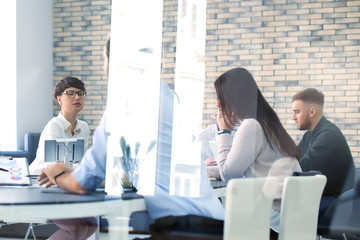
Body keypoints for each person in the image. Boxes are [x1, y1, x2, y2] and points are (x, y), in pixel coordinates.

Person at [38, 36, 224, 237]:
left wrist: (57, 173)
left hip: (185, 229)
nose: (103, 66)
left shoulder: (123, 105)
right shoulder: (164, 93)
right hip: (216, 223)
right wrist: (78, 171)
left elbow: (81, 184)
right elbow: (129, 175)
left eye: (104, 59)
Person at [212, 67, 302, 232]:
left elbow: (228, 174)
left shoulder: (251, 126)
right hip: (289, 213)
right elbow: (232, 166)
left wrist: (224, 131)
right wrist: (204, 170)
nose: (218, 104)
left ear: (231, 98)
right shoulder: (266, 122)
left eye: (220, 98)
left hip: (270, 217)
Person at [292, 88, 355, 216]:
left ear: (312, 111)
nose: (293, 117)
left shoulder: (329, 135)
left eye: (297, 112)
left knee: (286, 211)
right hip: (323, 197)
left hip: (338, 202)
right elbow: (293, 161)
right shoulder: (308, 136)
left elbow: (299, 169)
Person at [29, 76, 89, 175]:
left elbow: (81, 161)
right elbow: (55, 165)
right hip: (38, 178)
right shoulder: (54, 126)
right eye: (70, 93)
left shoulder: (84, 127)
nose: (77, 97)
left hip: (67, 177)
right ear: (59, 100)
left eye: (80, 93)